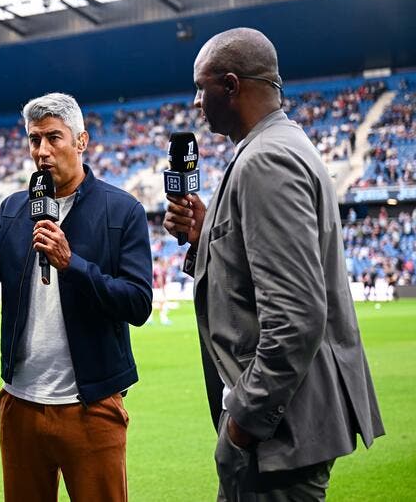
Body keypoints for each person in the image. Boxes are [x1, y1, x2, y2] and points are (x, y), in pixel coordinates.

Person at [163, 28, 384, 501]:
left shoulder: (266, 160)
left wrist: (241, 424)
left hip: (279, 434)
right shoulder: (278, 145)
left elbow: (296, 318)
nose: (196, 102)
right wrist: (204, 240)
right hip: (285, 428)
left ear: (230, 85)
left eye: (201, 88)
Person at [0, 93, 153, 501]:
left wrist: (72, 265)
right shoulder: (13, 209)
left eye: (53, 138)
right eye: (34, 140)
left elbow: (137, 303)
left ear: (81, 141)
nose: (42, 151)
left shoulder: (122, 210)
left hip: (91, 404)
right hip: (20, 404)